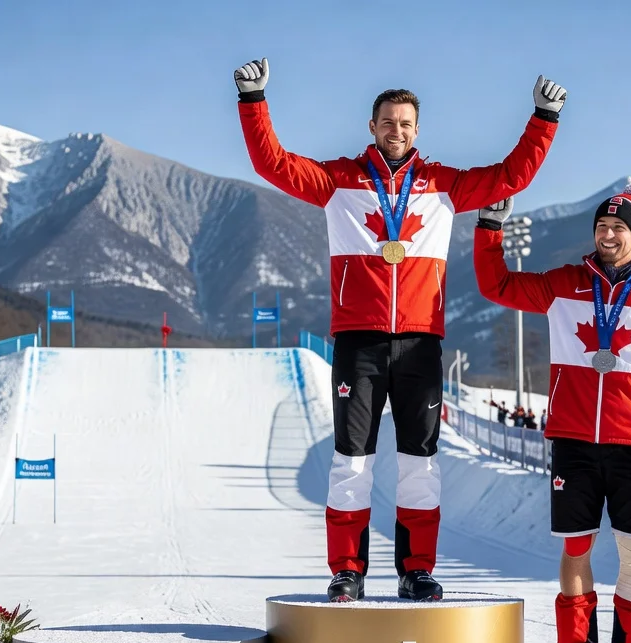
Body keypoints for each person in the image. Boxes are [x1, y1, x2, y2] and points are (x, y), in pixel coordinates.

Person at [235, 57, 567, 602]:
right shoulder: (339, 181)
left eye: (406, 123)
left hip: (420, 344)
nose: (397, 131)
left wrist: (544, 117)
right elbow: (272, 163)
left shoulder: (444, 186)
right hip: (358, 342)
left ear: (418, 129)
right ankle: (347, 570)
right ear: (372, 126)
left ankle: (417, 570)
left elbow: (512, 176)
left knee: (420, 465)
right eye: (388, 121)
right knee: (351, 462)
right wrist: (254, 101)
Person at [473, 187, 631, 643]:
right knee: (576, 548)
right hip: (574, 441)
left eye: (619, 227)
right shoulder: (563, 285)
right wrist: (489, 229)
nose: (608, 234)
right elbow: (498, 286)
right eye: (602, 226)